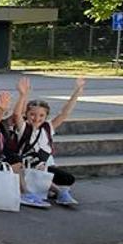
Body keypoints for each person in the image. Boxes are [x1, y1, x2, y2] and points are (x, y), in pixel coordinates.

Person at [14, 76, 85, 208]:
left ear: (46, 116)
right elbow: (17, 115)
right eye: (32, 114)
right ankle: (57, 192)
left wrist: (76, 93)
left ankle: (51, 190)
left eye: (41, 115)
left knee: (67, 179)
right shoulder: (24, 128)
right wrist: (22, 95)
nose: (36, 118)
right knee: (39, 170)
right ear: (27, 114)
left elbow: (64, 114)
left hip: (44, 166)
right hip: (26, 167)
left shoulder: (47, 128)